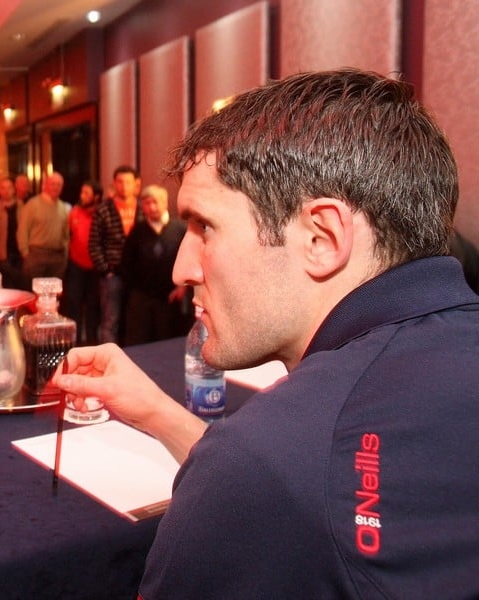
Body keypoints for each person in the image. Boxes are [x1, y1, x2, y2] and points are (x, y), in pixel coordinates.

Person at [53, 69, 479, 598]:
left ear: (322, 237)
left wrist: (229, 466)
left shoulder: (263, 466)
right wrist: (159, 412)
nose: (180, 269)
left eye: (205, 226)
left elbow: (278, 478)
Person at [120, 184, 190, 345]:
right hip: (141, 297)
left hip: (170, 298)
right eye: (146, 203)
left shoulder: (180, 229)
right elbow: (126, 262)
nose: (151, 207)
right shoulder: (138, 230)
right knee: (140, 342)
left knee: (168, 342)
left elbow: (189, 260)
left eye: (154, 202)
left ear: (165, 203)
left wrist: (182, 287)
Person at [88, 165, 143, 343]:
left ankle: (131, 359)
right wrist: (106, 270)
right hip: (113, 274)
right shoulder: (104, 209)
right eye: (120, 182)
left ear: (136, 184)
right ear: (114, 183)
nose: (124, 186)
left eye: (128, 182)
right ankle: (108, 358)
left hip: (137, 274)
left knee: (134, 319)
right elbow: (94, 243)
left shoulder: (143, 207)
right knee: (110, 320)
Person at [63, 180, 102, 345]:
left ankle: (92, 342)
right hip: (76, 266)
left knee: (93, 307)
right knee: (74, 305)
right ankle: (75, 342)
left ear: (96, 196)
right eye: (82, 192)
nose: (82, 196)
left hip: (95, 268)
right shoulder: (74, 212)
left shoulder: (102, 213)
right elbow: (68, 234)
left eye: (86, 193)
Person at [17, 171, 71, 281]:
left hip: (57, 257)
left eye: (59, 185)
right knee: (34, 293)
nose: (56, 187)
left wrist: (65, 254)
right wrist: (25, 253)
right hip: (36, 255)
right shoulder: (32, 204)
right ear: (45, 185)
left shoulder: (64, 207)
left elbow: (66, 234)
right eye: (53, 184)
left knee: (53, 294)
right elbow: (22, 230)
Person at [0, 176, 26, 289]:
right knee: (8, 286)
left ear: (14, 189)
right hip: (3, 256)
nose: (6, 191)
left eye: (9, 188)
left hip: (22, 254)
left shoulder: (24, 208)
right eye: (3, 188)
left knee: (22, 286)